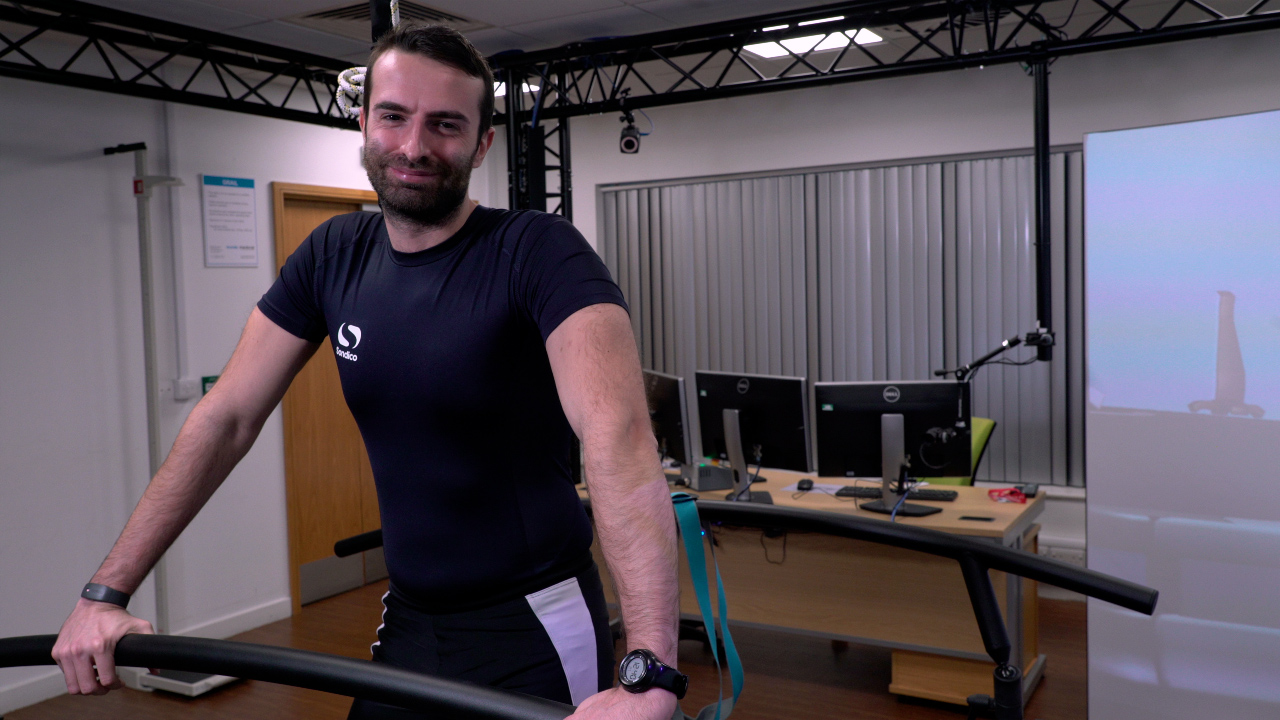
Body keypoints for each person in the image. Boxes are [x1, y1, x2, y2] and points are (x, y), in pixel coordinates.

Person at [52, 22, 680, 720]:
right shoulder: (332, 254)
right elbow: (227, 417)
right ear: (363, 123)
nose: (414, 146)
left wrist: (649, 671)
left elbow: (619, 439)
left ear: (482, 142)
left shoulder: (540, 253)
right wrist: (104, 594)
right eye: (394, 116)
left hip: (533, 623)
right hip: (410, 618)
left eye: (445, 124)